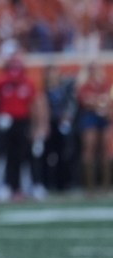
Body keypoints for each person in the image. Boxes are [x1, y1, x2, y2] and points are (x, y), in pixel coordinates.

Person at [0, 55, 45, 201]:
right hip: (5, 122)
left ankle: (24, 186)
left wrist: (36, 125)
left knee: (23, 156)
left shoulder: (27, 83)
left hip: (22, 121)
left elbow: (33, 105)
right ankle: (5, 186)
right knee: (4, 155)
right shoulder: (1, 82)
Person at [76, 63, 110, 194]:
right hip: (89, 117)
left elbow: (107, 100)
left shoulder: (104, 84)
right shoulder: (84, 85)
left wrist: (98, 102)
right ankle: (90, 187)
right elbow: (86, 101)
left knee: (106, 149)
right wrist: (99, 102)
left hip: (103, 117)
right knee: (89, 147)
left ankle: (105, 186)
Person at [42, 66, 76, 193]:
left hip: (62, 123)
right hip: (49, 123)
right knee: (48, 155)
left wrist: (67, 117)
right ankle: (47, 182)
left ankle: (63, 183)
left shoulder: (65, 89)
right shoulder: (44, 91)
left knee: (63, 153)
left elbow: (71, 104)